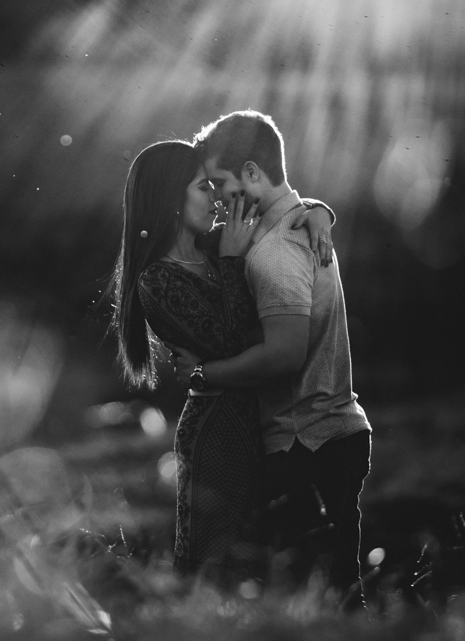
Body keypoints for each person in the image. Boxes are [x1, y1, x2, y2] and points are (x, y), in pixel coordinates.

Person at [108, 140, 333, 587]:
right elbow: (235, 344)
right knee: (218, 573)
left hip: (271, 424)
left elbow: (283, 207)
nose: (215, 198)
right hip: (217, 437)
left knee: (295, 560)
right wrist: (233, 261)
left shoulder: (216, 247)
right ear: (170, 197)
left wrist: (321, 212)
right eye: (201, 187)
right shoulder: (158, 280)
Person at [170, 110, 372, 608]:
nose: (216, 195)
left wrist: (204, 372)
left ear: (254, 174)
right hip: (331, 435)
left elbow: (284, 354)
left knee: (321, 603)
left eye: (220, 181)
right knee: (335, 596)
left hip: (305, 446)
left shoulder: (277, 248)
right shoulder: (298, 224)